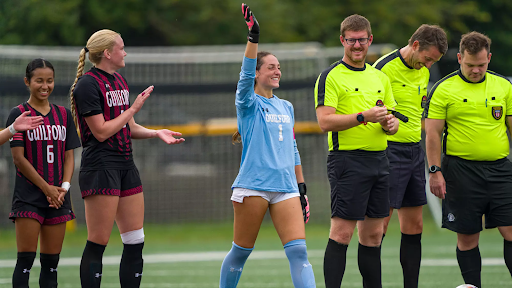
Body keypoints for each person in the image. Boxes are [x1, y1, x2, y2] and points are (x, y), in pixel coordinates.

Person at [69, 29, 185, 288]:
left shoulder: (119, 80)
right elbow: (100, 132)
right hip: (101, 166)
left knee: (135, 240)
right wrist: (132, 108)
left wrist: (156, 133)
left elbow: (128, 127)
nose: (125, 52)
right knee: (98, 241)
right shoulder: (87, 84)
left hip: (125, 164)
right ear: (108, 53)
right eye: (121, 48)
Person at [218, 4, 315, 288]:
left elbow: (293, 150)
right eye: (271, 67)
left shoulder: (286, 106)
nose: (277, 71)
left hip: (286, 187)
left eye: (279, 68)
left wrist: (302, 190)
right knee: (241, 252)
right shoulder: (248, 103)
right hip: (254, 186)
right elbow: (244, 76)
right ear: (258, 74)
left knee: (299, 251)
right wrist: (253, 38)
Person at [315, 14, 399, 288]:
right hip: (347, 162)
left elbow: (392, 124)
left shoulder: (379, 77)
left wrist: (390, 123)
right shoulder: (331, 76)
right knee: (341, 234)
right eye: (351, 40)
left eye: (361, 40)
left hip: (379, 161)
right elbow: (324, 121)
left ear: (369, 40)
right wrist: (364, 116)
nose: (357, 45)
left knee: (374, 236)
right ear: (342, 41)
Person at [425, 31, 512, 287]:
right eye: (470, 65)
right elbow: (432, 134)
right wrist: (434, 171)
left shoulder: (504, 86)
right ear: (460, 58)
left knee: (510, 231)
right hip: (460, 172)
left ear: (490, 59)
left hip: (500, 170)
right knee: (467, 238)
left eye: (482, 65)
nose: (476, 70)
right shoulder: (443, 88)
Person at [372, 24, 447, 288]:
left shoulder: (423, 72)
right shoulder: (383, 68)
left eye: (433, 61)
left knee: (415, 227)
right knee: (378, 228)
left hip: (414, 152)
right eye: (428, 58)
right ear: (415, 45)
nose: (428, 64)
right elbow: (369, 109)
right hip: (388, 153)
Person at [7, 58, 81, 288]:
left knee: (51, 266)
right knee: (25, 262)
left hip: (58, 198)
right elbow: (19, 158)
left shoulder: (62, 115)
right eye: (39, 80)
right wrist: (45, 188)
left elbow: (69, 156)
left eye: (49, 81)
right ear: (27, 81)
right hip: (29, 197)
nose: (45, 86)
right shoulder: (19, 114)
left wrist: (63, 188)